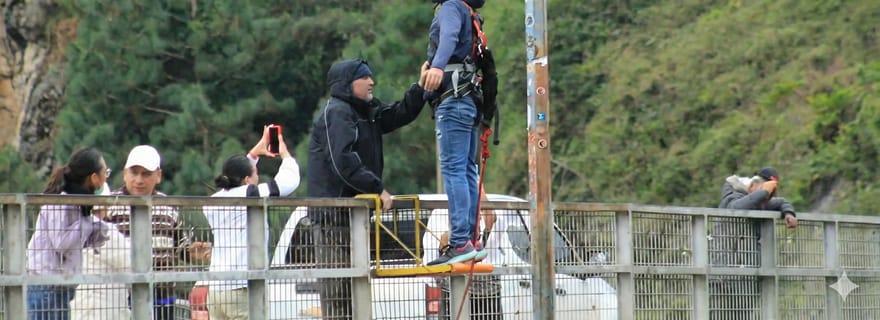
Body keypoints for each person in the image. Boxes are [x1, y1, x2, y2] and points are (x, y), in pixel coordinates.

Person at [306, 59, 428, 319]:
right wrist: (377, 188)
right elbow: (343, 162)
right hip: (333, 219)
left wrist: (420, 87)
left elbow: (396, 115)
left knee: (357, 291)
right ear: (348, 84)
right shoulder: (337, 112)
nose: (372, 81)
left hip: (355, 218)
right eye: (365, 77)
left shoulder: (366, 111)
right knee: (339, 294)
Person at [97, 145, 210, 319]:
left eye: (146, 174)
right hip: (121, 296)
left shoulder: (167, 206)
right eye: (134, 173)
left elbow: (179, 244)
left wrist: (190, 252)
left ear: (158, 176)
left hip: (162, 296)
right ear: (124, 174)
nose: (139, 180)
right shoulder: (110, 206)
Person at [204, 127, 300, 320]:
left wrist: (254, 154)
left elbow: (239, 176)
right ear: (247, 180)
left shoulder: (211, 201)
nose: (258, 177)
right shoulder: (249, 194)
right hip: (241, 289)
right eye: (255, 173)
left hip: (215, 290)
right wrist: (285, 154)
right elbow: (288, 182)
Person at [423, 0, 488, 266]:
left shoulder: (451, 7)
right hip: (470, 99)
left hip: (454, 99)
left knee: (454, 169)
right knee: (467, 169)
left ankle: (460, 241)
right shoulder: (471, 13)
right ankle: (472, 240)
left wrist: (436, 65)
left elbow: (448, 36)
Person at [26, 147, 111, 320]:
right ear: (94, 178)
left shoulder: (77, 202)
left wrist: (98, 227)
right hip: (46, 286)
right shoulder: (60, 201)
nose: (106, 176)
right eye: (105, 172)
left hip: (61, 286)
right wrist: (89, 223)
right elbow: (62, 243)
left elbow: (78, 238)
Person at [711, 166, 798, 319]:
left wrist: (788, 213)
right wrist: (763, 192)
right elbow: (736, 208)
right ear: (754, 186)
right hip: (722, 269)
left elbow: (781, 202)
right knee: (719, 312)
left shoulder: (758, 200)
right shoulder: (732, 193)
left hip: (746, 270)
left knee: (744, 312)